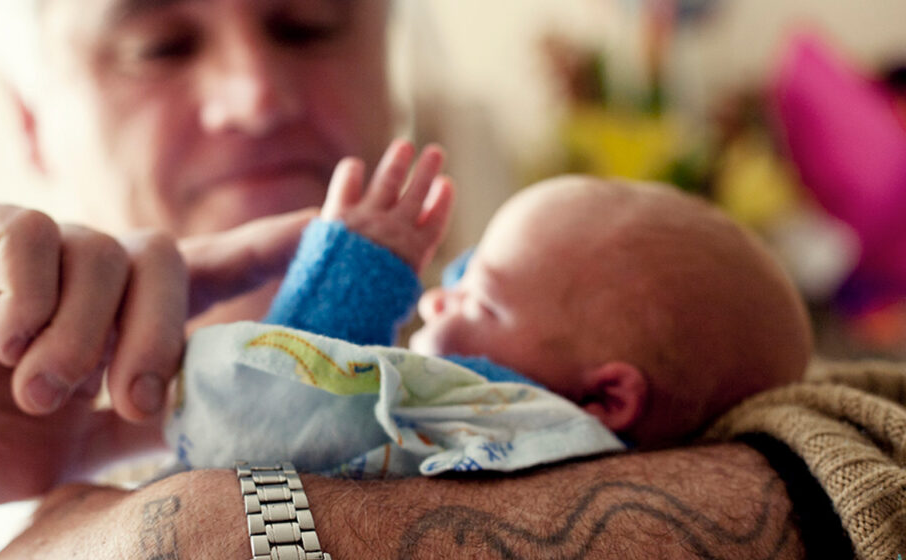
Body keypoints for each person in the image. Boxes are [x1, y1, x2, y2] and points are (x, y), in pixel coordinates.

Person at [0, 0, 870, 560]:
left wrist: (229, 537)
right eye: (156, 44)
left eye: (307, 24)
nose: (253, 94)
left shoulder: (725, 378)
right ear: (27, 114)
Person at [172, 139, 812, 476]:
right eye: (453, 276)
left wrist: (348, 285)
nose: (429, 298)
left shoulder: (525, 427)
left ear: (606, 400)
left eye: (477, 297)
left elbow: (259, 419)